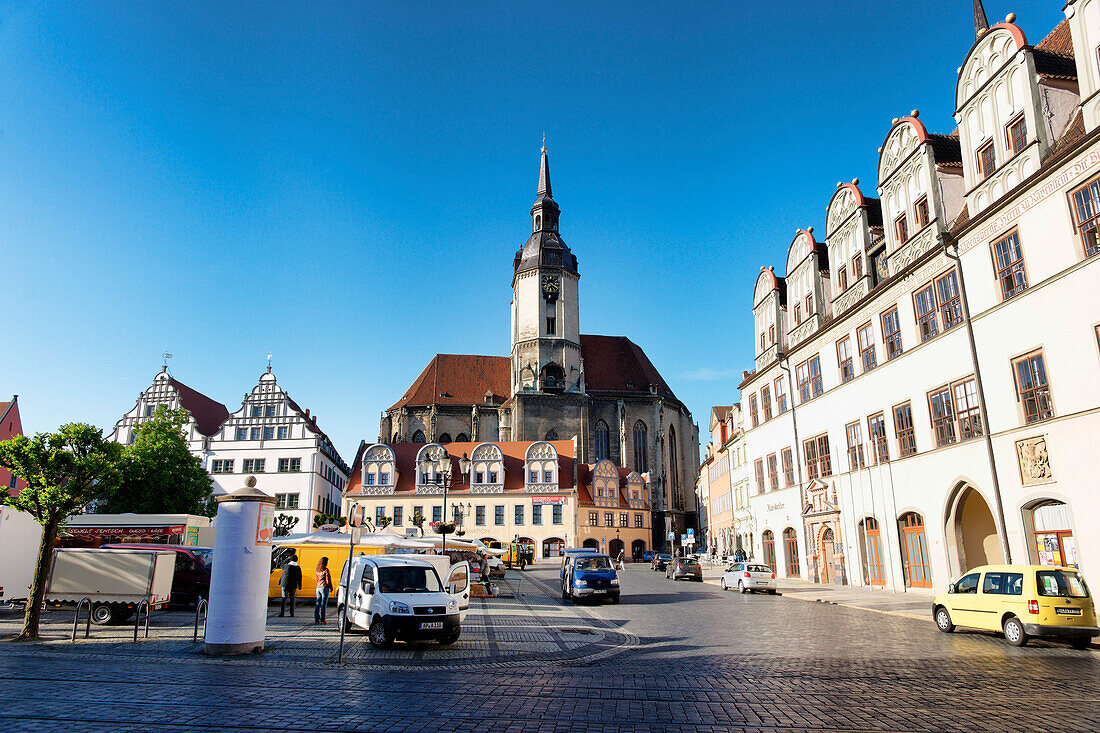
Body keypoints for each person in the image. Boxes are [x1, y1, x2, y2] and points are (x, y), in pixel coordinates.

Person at [278, 552, 302, 617]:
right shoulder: (298, 568)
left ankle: (282, 613)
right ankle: (292, 613)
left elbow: (281, 565)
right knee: (292, 599)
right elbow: (299, 577)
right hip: (293, 585)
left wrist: (287, 559)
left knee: (284, 599)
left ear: (290, 560)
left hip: (285, 585)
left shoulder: (287, 566)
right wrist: (299, 585)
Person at [314, 556, 333, 624]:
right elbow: (328, 580)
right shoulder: (325, 570)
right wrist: (331, 587)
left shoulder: (317, 569)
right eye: (327, 562)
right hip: (324, 587)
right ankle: (323, 620)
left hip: (318, 588)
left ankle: (316, 619)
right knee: (323, 604)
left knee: (317, 603)